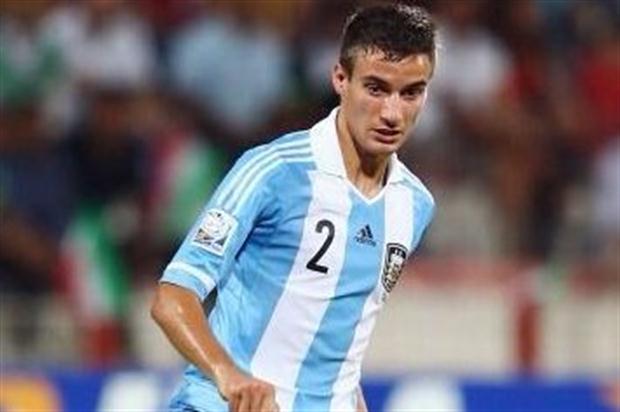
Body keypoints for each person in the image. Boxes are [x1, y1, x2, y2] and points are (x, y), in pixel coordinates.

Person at [151, 4, 437, 412]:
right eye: (376, 88)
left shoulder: (413, 205)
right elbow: (172, 297)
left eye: (411, 93)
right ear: (340, 78)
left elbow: (341, 351)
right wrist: (228, 375)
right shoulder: (274, 171)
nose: (392, 113)